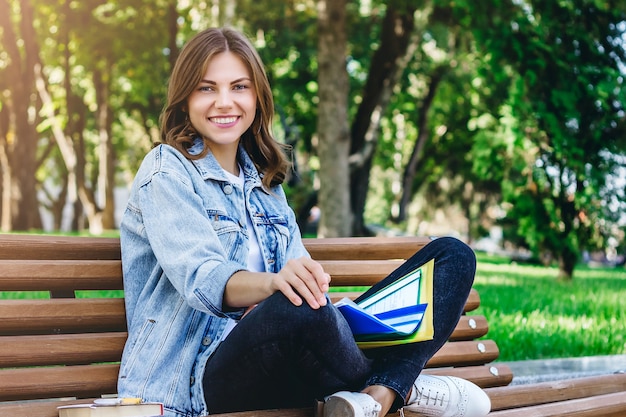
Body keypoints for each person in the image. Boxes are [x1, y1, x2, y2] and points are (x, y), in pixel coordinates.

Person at [117, 26, 491, 417]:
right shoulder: (167, 170)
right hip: (197, 378)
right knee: (296, 307)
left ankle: (380, 394)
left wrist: (318, 298)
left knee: (452, 256)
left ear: (258, 97)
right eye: (207, 88)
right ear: (185, 97)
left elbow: (303, 280)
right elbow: (202, 277)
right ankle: (402, 388)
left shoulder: (265, 186)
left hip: (288, 362)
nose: (224, 102)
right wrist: (275, 284)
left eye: (239, 87)